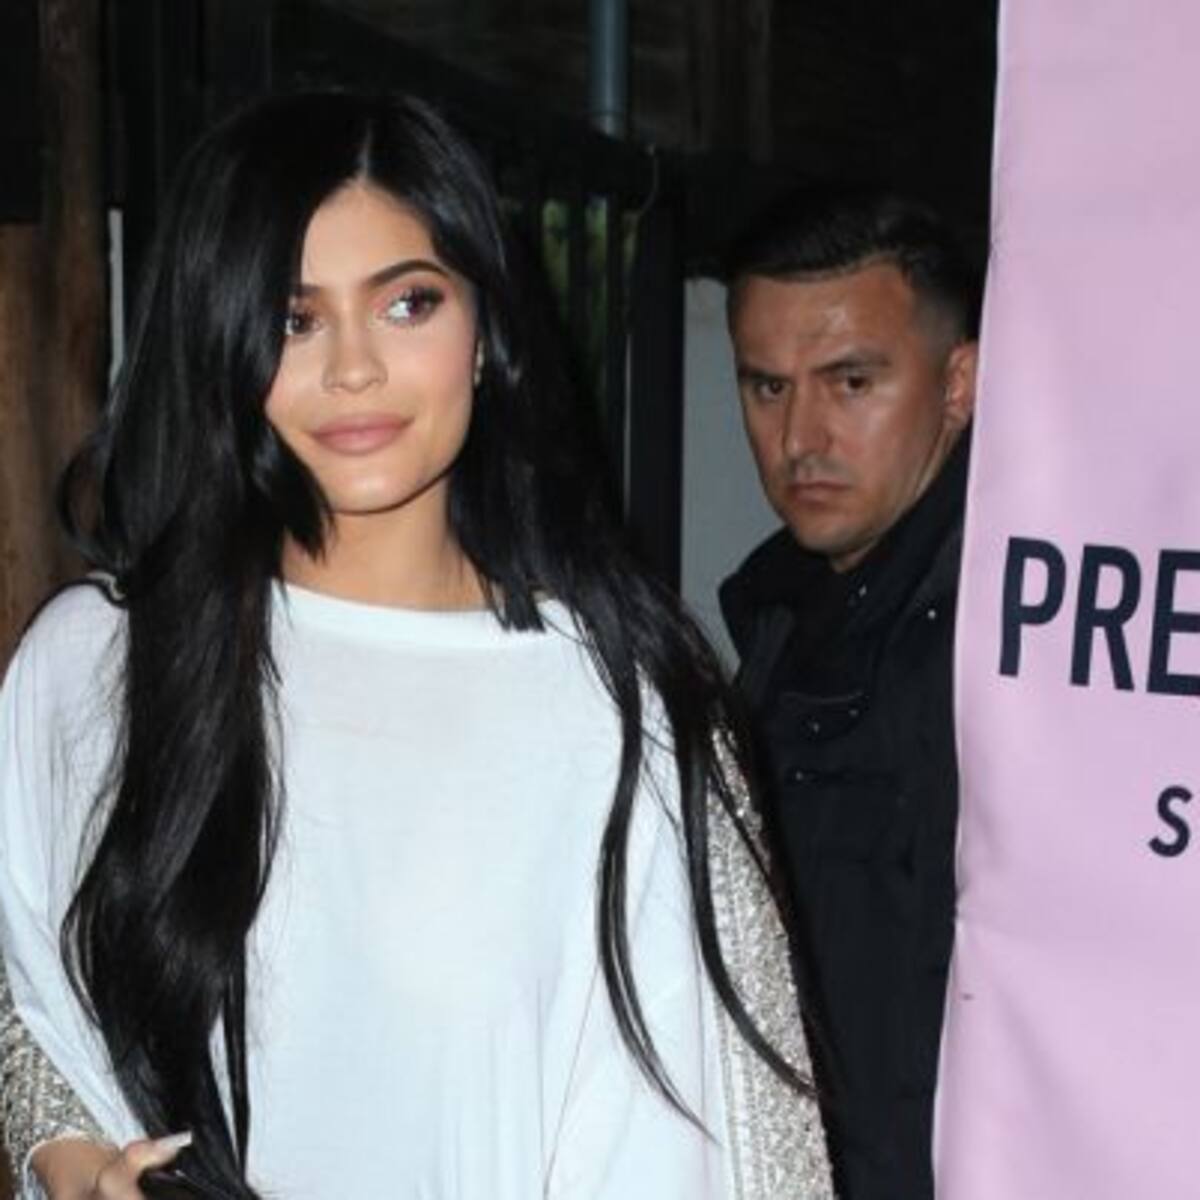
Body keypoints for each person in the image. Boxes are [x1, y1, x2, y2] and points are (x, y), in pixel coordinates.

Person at [0, 91, 833, 1199]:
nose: (354, 368)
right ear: (221, 343)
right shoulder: (93, 665)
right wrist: (73, 1163)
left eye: (407, 304)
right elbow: (32, 991)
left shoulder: (619, 705)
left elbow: (733, 1151)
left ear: (484, 329)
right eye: (295, 320)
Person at [719, 189, 980, 1199]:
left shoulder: (995, 641)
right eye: (767, 387)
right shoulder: (782, 612)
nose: (801, 437)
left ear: (958, 384)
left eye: (852, 382)